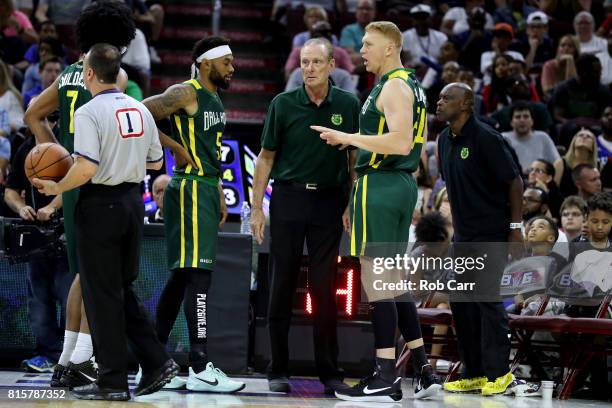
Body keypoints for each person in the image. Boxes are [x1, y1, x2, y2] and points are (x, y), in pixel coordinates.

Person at [24, 0, 190, 389]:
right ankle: (82, 361)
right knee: (97, 281)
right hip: (107, 186)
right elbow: (136, 120)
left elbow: (32, 111)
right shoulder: (120, 79)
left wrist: (53, 159)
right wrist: (174, 148)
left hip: (80, 186)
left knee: (92, 278)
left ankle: (73, 359)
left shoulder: (68, 74)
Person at [311, 21, 441, 402]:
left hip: (383, 183)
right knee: (394, 281)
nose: (360, 50)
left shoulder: (396, 85)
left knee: (378, 281)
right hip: (394, 186)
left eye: (368, 44)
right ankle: (424, 368)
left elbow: (401, 142)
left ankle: (385, 372)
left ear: (390, 48)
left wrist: (347, 137)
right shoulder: (409, 85)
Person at [251, 37, 358, 395]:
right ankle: (276, 368)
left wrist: (350, 203)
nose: (308, 69)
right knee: (281, 283)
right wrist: (255, 208)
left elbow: (354, 160)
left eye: (316, 63)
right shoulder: (283, 103)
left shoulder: (348, 104)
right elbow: (265, 158)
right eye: (304, 62)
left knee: (325, 288)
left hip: (330, 200)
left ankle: (329, 371)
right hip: (288, 198)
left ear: (332, 66)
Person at [141, 36, 245, 393]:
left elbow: (210, 151)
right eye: (227, 62)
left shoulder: (214, 98)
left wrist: (218, 191)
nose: (233, 68)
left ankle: (151, 362)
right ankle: (199, 365)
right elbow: (139, 112)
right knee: (198, 276)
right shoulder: (186, 92)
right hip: (187, 188)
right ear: (206, 63)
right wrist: (172, 148)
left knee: (183, 278)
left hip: (204, 187)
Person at [436, 82, 523, 395]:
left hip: (491, 233)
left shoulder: (486, 137)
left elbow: (514, 182)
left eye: (447, 98)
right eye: (440, 97)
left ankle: (499, 374)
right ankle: (472, 372)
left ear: (467, 103)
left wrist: (515, 227)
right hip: (463, 236)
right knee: (463, 304)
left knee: (486, 300)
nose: (439, 101)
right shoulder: (443, 140)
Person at [4, 123, 71, 373]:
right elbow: (10, 191)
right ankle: (46, 353)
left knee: (69, 296)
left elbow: (77, 183)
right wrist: (21, 207)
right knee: (38, 298)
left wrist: (52, 206)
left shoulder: (72, 142)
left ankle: (70, 354)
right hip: (36, 233)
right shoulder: (26, 148)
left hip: (68, 229)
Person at [549, 54, 612, 124]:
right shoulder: (563, 89)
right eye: (596, 72)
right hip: (569, 126)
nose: (600, 74)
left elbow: (605, 116)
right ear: (583, 72)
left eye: (600, 71)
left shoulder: (604, 91)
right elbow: (558, 116)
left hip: (596, 126)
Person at [501, 102, 559, 174]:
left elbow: (557, 163)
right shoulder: (503, 138)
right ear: (511, 122)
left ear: (532, 121)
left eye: (526, 116)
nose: (522, 120)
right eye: (518, 117)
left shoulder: (543, 137)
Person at [554, 128, 599, 198]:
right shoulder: (560, 163)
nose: (584, 137)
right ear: (574, 142)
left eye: (588, 137)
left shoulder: (598, 166)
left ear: (593, 145)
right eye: (580, 135)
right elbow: (553, 191)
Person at [401, 4, 447, 69]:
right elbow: (408, 60)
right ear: (413, 21)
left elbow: (443, 60)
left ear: (430, 19)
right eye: (417, 18)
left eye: (423, 18)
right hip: (414, 72)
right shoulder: (406, 36)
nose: (420, 22)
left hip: (435, 70)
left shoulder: (441, 37)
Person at [541, 34, 579, 99]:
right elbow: (547, 91)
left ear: (576, 50)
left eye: (570, 46)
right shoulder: (549, 65)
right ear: (558, 48)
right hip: (555, 100)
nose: (566, 48)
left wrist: (570, 61)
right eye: (562, 45)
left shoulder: (581, 64)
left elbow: (574, 89)